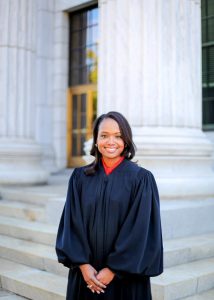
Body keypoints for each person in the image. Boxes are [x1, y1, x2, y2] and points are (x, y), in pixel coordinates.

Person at [56, 111, 163, 300]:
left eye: (118, 136)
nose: (110, 142)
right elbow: (72, 223)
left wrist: (113, 269)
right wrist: (83, 266)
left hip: (126, 278)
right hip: (86, 276)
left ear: (127, 141)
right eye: (104, 136)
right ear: (96, 140)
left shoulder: (141, 179)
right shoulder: (80, 178)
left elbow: (141, 230)